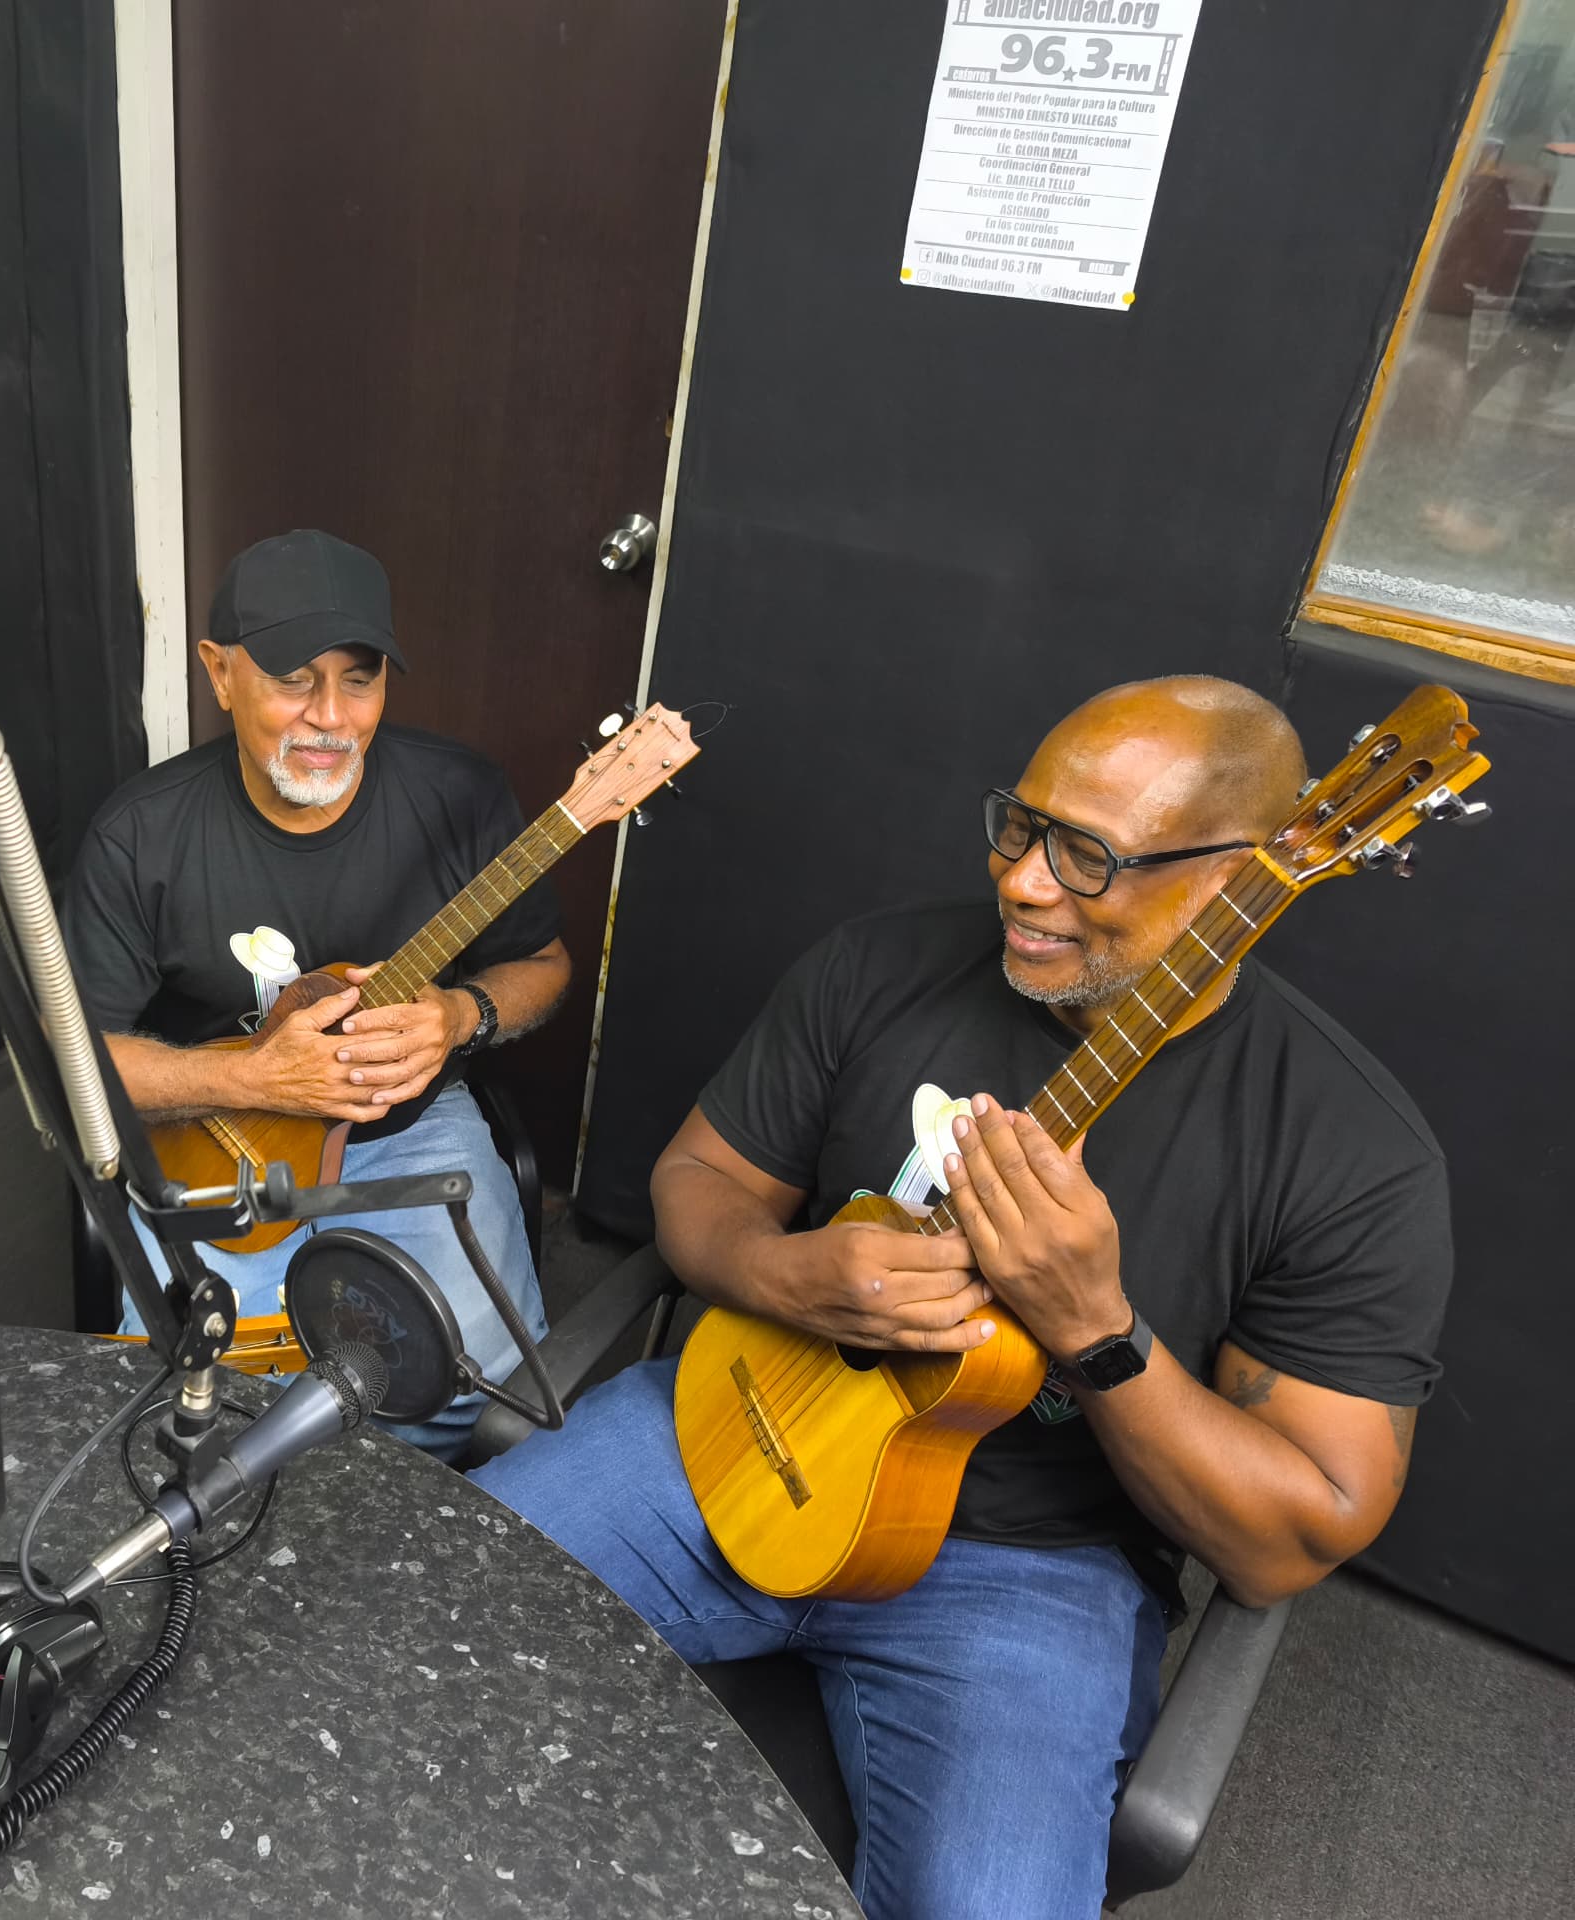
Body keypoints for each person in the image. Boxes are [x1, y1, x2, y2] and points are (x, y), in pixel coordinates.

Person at [471, 677, 1450, 1920]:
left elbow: (1285, 1544)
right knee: (397, 1612)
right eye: (1019, 825)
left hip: (1025, 1572)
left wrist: (1095, 1330)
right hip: (737, 1429)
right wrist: (785, 1273)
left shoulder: (1350, 1154)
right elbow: (699, 1180)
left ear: (1234, 878)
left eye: (1088, 856)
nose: (1023, 882)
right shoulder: (877, 966)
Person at [62, 530, 571, 1456]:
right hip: (218, 1135)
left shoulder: (460, 794)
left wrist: (461, 1015)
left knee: (490, 1393)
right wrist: (255, 1079)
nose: (331, 717)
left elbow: (543, 962)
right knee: (192, 1407)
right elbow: (82, 1066)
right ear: (220, 674)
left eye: (359, 680)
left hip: (409, 1127)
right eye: (294, 680)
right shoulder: (140, 835)